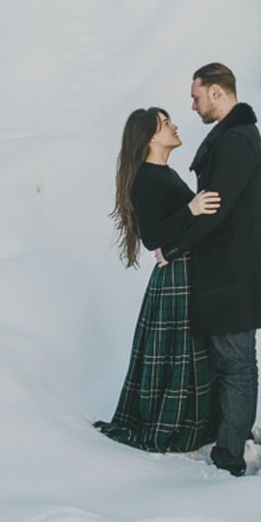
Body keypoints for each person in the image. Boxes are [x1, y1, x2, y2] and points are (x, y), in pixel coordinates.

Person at [154, 63, 261, 477]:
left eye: (195, 97)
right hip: (231, 267)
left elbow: (214, 207)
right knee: (232, 361)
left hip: (236, 270)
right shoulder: (233, 136)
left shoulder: (237, 140)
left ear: (216, 92)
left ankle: (229, 455)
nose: (192, 107)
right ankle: (231, 436)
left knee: (237, 363)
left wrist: (173, 246)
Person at [94, 107, 221, 453]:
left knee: (184, 352)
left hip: (182, 270)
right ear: (150, 137)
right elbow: (153, 237)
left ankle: (191, 423)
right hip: (176, 276)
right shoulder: (149, 179)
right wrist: (191, 210)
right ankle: (174, 426)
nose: (175, 126)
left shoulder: (162, 173)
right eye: (166, 124)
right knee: (179, 353)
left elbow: (170, 233)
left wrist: (180, 235)